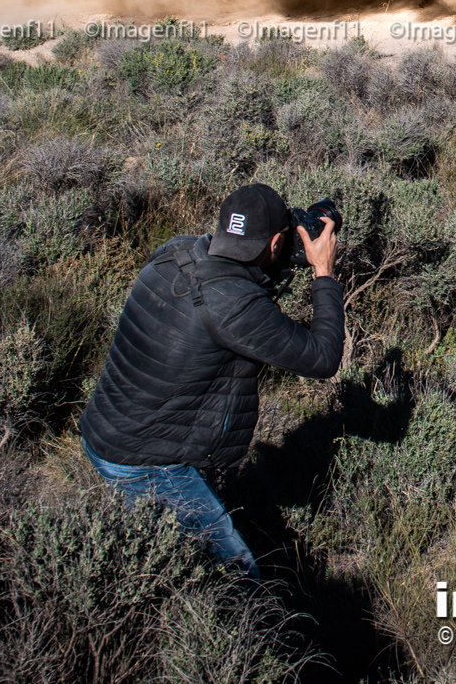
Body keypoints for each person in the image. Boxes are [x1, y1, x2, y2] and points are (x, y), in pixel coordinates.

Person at [79, 184, 342, 575]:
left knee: (163, 557)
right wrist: (323, 273)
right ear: (275, 243)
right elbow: (322, 358)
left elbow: (225, 293)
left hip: (104, 428)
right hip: (145, 462)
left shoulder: (176, 251)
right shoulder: (235, 305)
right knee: (233, 578)